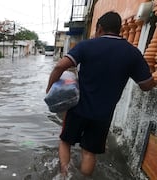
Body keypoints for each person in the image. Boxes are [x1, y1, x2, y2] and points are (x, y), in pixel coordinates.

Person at [45, 11, 156, 177]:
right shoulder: (132, 53)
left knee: (65, 142)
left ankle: (64, 175)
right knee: (89, 152)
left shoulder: (87, 45)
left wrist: (50, 89)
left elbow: (59, 66)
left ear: (100, 29)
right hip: (103, 115)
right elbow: (146, 86)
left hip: (78, 109)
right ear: (118, 29)